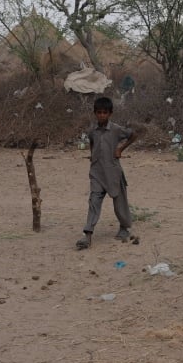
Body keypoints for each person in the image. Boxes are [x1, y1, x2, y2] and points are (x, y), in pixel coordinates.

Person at [75, 96, 138, 249]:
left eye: (105, 112)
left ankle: (124, 227)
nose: (101, 115)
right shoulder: (92, 130)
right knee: (94, 201)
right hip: (97, 172)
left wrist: (120, 149)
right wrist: (93, 157)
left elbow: (133, 135)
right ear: (95, 113)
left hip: (113, 171)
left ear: (110, 114)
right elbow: (92, 143)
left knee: (119, 201)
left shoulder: (116, 129)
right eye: (99, 112)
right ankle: (88, 234)